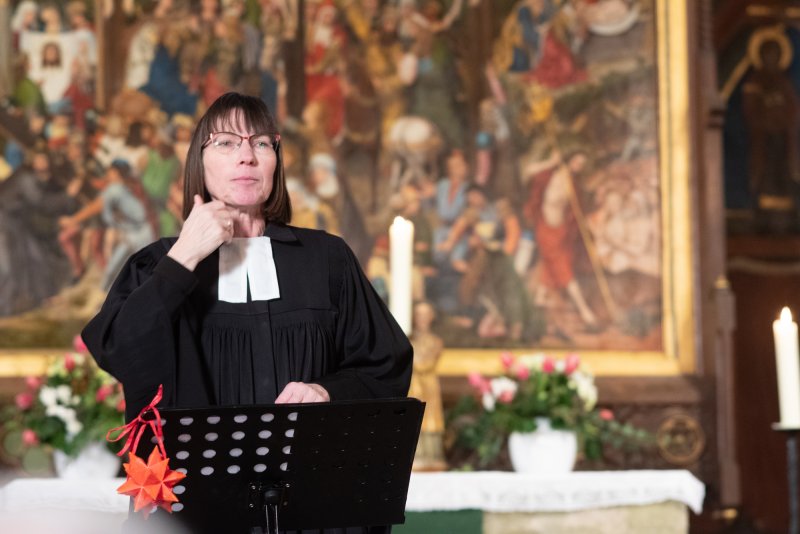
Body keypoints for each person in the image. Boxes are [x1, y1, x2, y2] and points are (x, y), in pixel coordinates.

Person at [82, 93, 412, 531]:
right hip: (195, 516)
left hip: (314, 513)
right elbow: (118, 350)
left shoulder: (326, 259)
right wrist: (184, 257)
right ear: (199, 162)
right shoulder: (157, 264)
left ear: (276, 160)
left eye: (260, 143)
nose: (246, 156)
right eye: (225, 143)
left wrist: (326, 391)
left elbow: (386, 367)